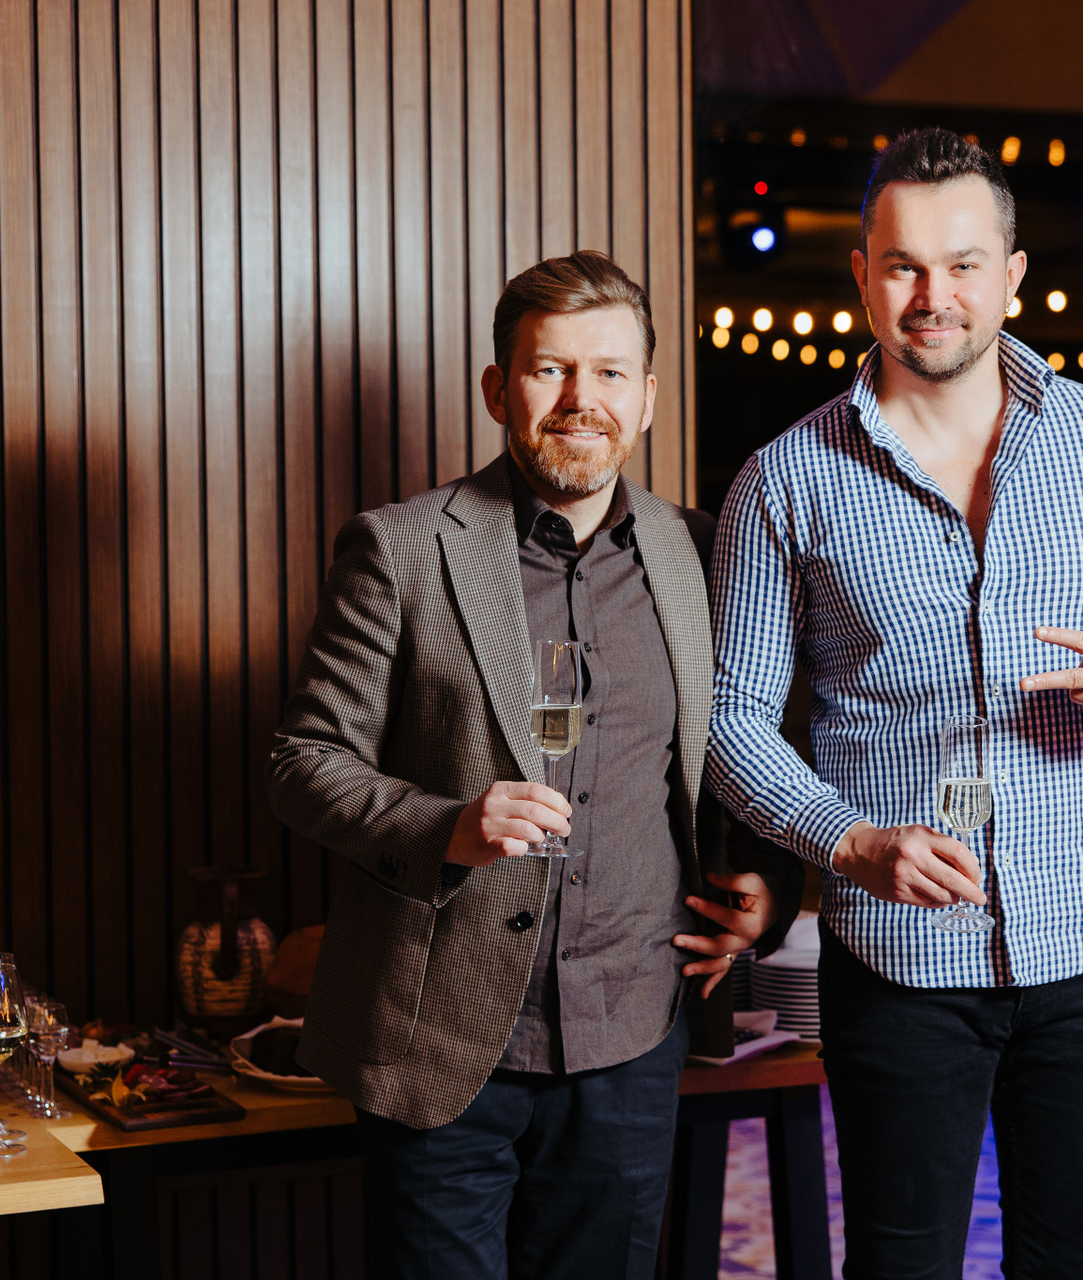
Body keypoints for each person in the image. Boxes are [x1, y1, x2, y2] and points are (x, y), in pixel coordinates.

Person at [707, 129, 1083, 1278]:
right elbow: (729, 718)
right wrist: (850, 841)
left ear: (1012, 274)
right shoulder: (786, 478)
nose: (933, 295)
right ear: (862, 275)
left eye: (963, 264)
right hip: (897, 958)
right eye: (903, 265)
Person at [269, 250, 803, 1280]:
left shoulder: (704, 552)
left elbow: (747, 748)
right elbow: (303, 760)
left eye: (609, 372)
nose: (579, 399)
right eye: (550, 369)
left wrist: (766, 889)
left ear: (647, 397)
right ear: (497, 388)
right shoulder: (400, 548)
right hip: (440, 1040)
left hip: (632, 1039)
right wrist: (446, 826)